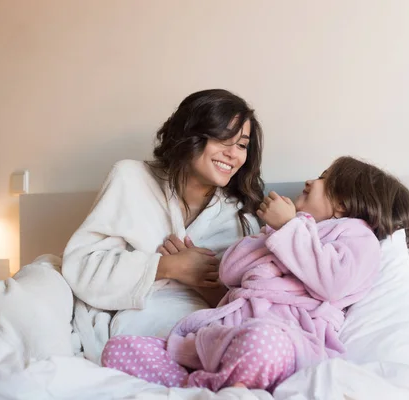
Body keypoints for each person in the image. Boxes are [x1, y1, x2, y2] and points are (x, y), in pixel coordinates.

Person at [100, 156, 409, 392]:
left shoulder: (355, 236)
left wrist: (292, 227)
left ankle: (214, 388)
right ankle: (206, 387)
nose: (310, 181)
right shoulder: (280, 235)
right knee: (117, 349)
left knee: (261, 343)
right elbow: (231, 271)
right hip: (227, 336)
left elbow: (335, 283)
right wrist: (269, 235)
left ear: (344, 203)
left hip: (287, 344)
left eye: (324, 178)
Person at [61, 89, 265, 363]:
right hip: (126, 316)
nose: (232, 154)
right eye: (222, 138)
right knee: (34, 282)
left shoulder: (241, 214)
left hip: (199, 323)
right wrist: (167, 266)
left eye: (242, 145)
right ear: (191, 134)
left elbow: (252, 301)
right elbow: (83, 269)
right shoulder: (131, 178)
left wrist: (202, 280)